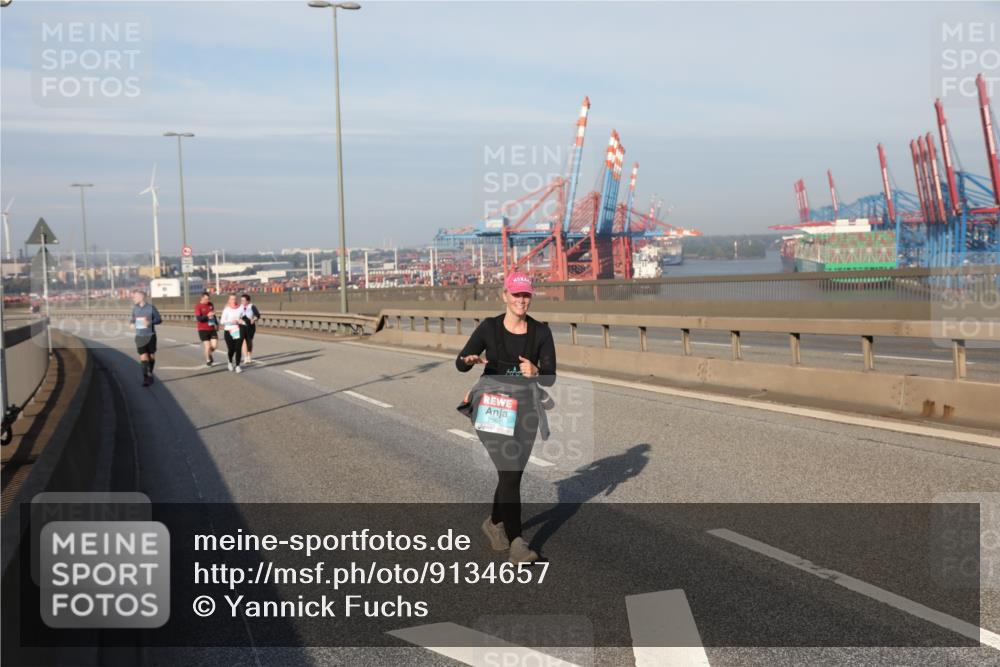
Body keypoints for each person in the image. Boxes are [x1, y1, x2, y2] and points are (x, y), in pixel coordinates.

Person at [456, 272, 556, 564]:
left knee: (512, 474)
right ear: (505, 296)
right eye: (516, 295)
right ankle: (517, 543)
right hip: (494, 404)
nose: (521, 300)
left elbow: (550, 377)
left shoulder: (541, 332)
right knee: (510, 471)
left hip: (526, 407)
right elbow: (460, 363)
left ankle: (494, 522)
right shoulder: (489, 328)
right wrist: (470, 360)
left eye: (526, 295)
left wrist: (537, 371)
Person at [129, 289, 162, 387]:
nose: (133, 298)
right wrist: (131, 323)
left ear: (141, 297)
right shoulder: (135, 308)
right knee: (143, 357)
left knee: (151, 357)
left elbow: (159, 319)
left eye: (134, 297)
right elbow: (132, 319)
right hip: (140, 337)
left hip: (151, 335)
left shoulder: (151, 308)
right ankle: (146, 378)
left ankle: (150, 372)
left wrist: (150, 323)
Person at [219, 294, 244, 373]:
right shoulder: (227, 309)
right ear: (229, 300)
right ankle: (229, 362)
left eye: (235, 299)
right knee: (231, 349)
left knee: (238, 348)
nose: (234, 300)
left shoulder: (240, 308)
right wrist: (230, 322)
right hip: (229, 331)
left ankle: (237, 366)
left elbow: (244, 317)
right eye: (232, 299)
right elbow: (222, 321)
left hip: (237, 330)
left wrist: (241, 320)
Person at [194, 291, 219, 367]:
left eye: (208, 299)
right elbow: (199, 319)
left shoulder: (210, 305)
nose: (207, 300)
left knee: (214, 346)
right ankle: (208, 360)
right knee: (207, 346)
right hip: (202, 329)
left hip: (211, 328)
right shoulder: (198, 306)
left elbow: (213, 315)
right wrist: (207, 316)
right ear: (202, 298)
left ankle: (209, 353)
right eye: (206, 299)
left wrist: (216, 324)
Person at [239, 293, 261, 364]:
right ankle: (245, 357)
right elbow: (236, 315)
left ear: (248, 301)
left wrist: (254, 319)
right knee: (243, 341)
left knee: (249, 341)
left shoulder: (252, 306)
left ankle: (249, 356)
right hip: (242, 325)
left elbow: (258, 315)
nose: (242, 302)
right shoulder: (240, 307)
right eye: (241, 300)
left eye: (244, 300)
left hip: (250, 325)